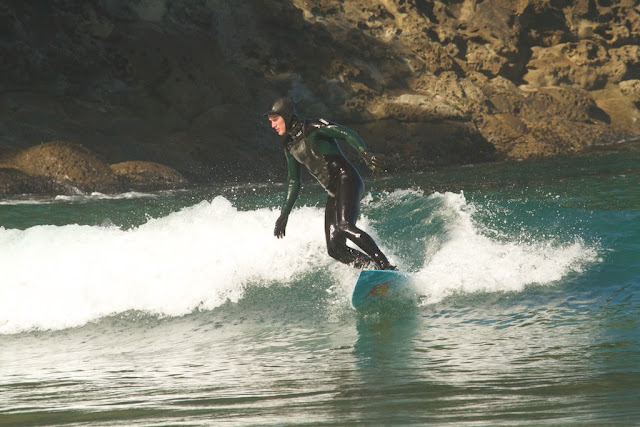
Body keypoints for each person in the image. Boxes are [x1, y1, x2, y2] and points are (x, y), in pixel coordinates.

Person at [265, 97, 395, 270]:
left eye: (275, 120)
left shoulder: (313, 127)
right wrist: (284, 214)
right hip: (333, 191)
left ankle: (385, 266)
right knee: (335, 249)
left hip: (347, 179)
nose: (273, 125)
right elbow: (294, 181)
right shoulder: (289, 145)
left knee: (344, 225)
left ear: (286, 116)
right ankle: (371, 269)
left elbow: (345, 133)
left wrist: (365, 154)